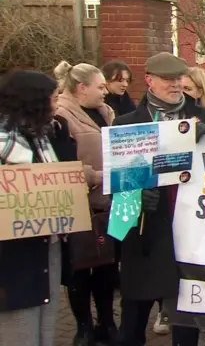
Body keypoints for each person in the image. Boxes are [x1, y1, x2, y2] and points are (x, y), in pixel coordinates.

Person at [114, 52, 205, 346]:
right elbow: (117, 189)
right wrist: (136, 193)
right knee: (132, 325)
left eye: (179, 78)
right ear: (149, 81)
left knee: (186, 329)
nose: (176, 84)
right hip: (144, 236)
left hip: (189, 238)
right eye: (168, 79)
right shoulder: (127, 124)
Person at [54, 61, 118, 346]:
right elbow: (59, 164)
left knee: (106, 267)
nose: (105, 92)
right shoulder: (61, 115)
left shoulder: (107, 112)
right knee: (79, 269)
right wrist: (96, 175)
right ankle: (83, 327)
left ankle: (107, 321)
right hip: (81, 203)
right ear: (82, 88)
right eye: (100, 86)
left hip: (107, 202)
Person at [0, 70, 63, 346]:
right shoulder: (4, 143)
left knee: (45, 328)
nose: (58, 102)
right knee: (19, 331)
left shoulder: (40, 137)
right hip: (12, 256)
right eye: (54, 97)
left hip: (45, 245)